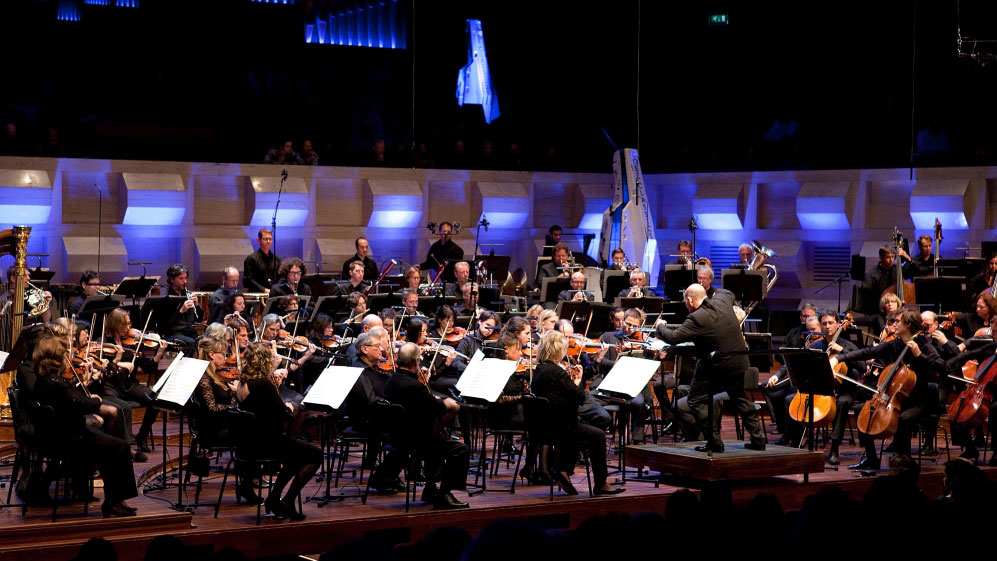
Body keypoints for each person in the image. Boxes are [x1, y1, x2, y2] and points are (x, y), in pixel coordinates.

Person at [31, 334, 138, 517]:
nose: (67, 357)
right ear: (56, 357)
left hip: (59, 436)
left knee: (109, 445)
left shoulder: (44, 380)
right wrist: (96, 401)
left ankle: (114, 499)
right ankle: (114, 501)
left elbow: (71, 400)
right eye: (64, 353)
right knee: (120, 447)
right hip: (70, 439)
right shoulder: (56, 382)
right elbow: (83, 405)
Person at [654, 283, 766, 452]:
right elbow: (728, 291)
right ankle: (758, 439)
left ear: (690, 300)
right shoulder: (722, 300)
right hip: (738, 361)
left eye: (685, 302)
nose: (686, 305)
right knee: (740, 398)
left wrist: (660, 326)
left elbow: (673, 337)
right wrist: (713, 294)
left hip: (715, 366)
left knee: (695, 400)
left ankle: (714, 440)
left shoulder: (696, 318)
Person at [830, 309, 945, 470]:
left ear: (908, 324)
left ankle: (903, 461)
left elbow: (943, 367)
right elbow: (867, 352)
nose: (893, 324)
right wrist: (839, 358)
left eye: (897, 321)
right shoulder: (896, 343)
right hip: (896, 397)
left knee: (904, 418)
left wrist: (919, 355)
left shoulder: (924, 345)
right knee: (861, 409)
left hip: (919, 400)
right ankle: (871, 459)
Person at [530, 331, 624, 496]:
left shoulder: (540, 369)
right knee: (598, 435)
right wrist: (578, 380)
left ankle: (564, 469)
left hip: (543, 426)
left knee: (578, 426)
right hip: (558, 427)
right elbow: (579, 396)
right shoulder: (556, 372)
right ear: (558, 350)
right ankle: (600, 483)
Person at [237, 342, 322, 521]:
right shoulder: (263, 384)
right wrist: (289, 406)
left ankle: (275, 499)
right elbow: (286, 416)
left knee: (296, 456)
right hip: (268, 444)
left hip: (248, 444)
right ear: (264, 361)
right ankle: (286, 500)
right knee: (315, 454)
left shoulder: (243, 383)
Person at [383, 342, 470, 509]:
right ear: (415, 362)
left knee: (436, 441)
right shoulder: (414, 386)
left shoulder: (392, 380)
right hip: (415, 440)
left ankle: (430, 489)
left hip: (396, 437)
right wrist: (441, 399)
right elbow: (439, 409)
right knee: (460, 449)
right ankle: (444, 494)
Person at [161, 264, 199, 353]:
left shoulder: (187, 294)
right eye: (181, 278)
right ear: (172, 279)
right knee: (192, 343)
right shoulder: (166, 298)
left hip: (190, 332)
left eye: (185, 278)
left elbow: (199, 319)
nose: (185, 281)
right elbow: (164, 325)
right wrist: (181, 311)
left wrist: (196, 304)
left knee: (207, 342)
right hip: (173, 334)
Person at [244, 228, 280, 294]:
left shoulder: (276, 259)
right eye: (266, 239)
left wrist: (275, 289)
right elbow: (248, 280)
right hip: (256, 294)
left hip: (273, 294)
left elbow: (281, 277)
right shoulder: (251, 259)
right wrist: (263, 289)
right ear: (259, 240)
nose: (268, 241)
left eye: (270, 239)